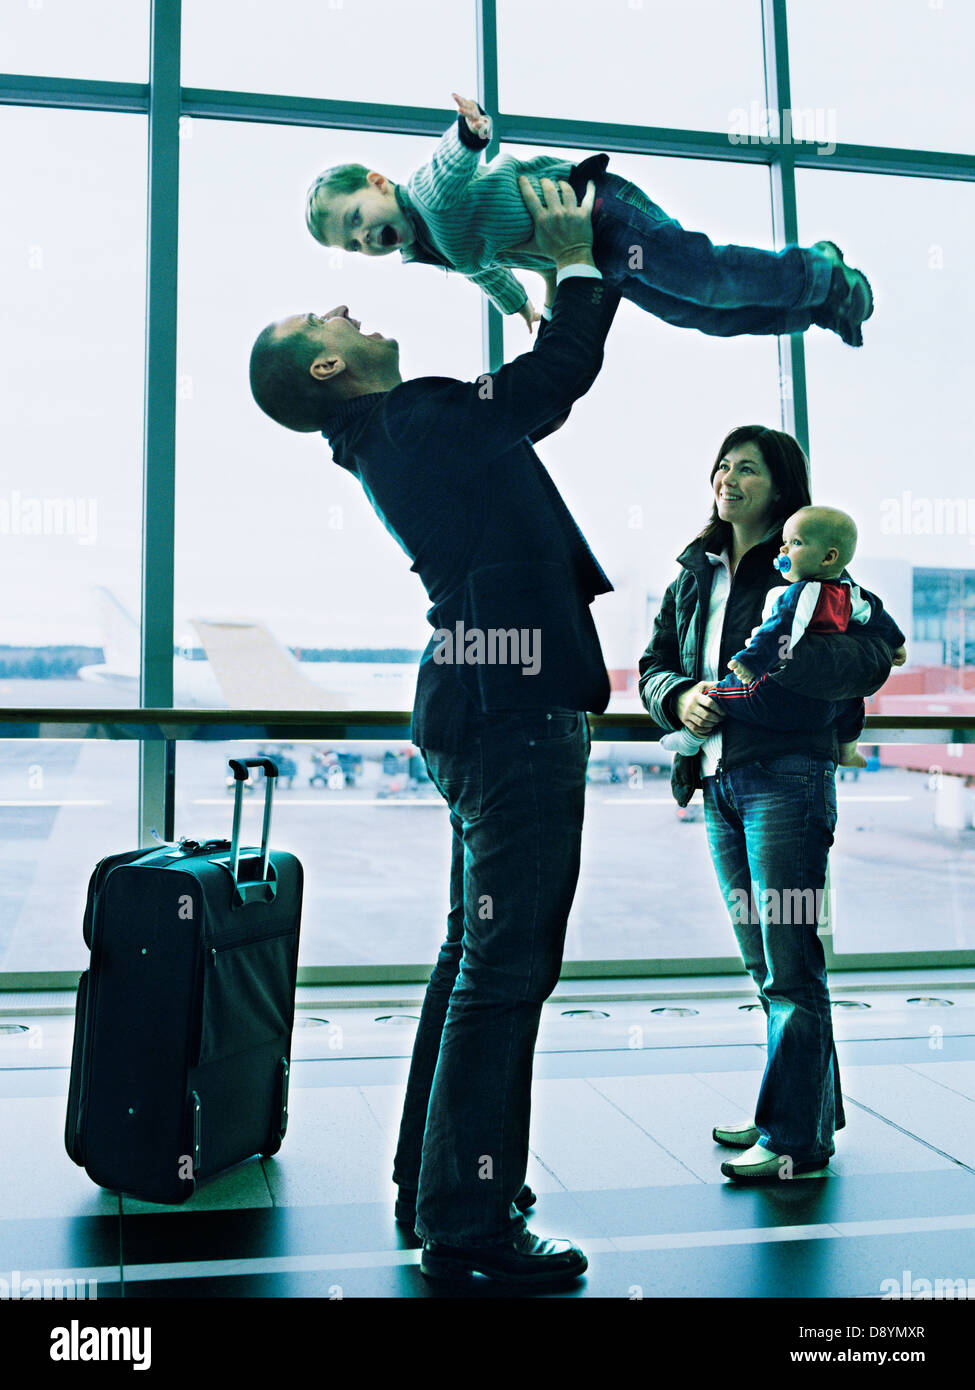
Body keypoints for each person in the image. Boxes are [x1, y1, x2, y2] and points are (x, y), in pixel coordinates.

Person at [249, 178, 620, 1285]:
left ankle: (443, 1184)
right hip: (511, 714)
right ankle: (468, 1219)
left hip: (482, 711)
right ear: (327, 369)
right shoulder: (412, 419)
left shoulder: (393, 430)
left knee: (477, 954)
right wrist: (571, 262)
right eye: (333, 321)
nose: (353, 311)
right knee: (505, 967)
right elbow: (552, 384)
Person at [639, 427, 900, 1182]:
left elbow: (873, 656)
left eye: (746, 467)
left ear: (781, 487)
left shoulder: (818, 577)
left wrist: (773, 664)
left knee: (789, 964)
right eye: (721, 463)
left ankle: (793, 1141)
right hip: (719, 782)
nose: (727, 475)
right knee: (766, 963)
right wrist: (678, 695)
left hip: (785, 778)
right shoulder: (694, 572)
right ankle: (793, 1112)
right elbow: (655, 664)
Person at [305, 92, 872, 346]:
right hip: (592, 253)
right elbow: (487, 270)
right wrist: (522, 307)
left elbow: (448, 166)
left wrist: (469, 133)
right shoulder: (430, 246)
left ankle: (817, 271)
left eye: (357, 217)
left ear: (379, 183)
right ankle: (812, 311)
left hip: (599, 211)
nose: (363, 237)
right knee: (693, 313)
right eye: (352, 245)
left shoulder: (426, 198)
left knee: (703, 277)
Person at [660, 503, 907, 768]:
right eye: (785, 542)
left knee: (721, 693)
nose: (783, 550)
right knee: (852, 705)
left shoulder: (801, 593)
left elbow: (779, 630)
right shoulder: (851, 593)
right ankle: (847, 750)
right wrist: (897, 643)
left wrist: (751, 661)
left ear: (827, 558)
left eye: (796, 543)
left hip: (781, 691)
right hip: (824, 695)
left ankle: (691, 737)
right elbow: (878, 617)